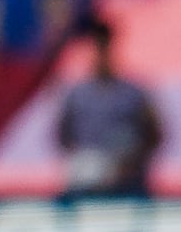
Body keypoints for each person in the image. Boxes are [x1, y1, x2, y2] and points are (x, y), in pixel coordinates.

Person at [54, 17, 163, 198]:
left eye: (103, 45)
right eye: (95, 46)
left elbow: (156, 134)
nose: (99, 52)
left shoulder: (134, 93)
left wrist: (130, 162)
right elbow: (62, 137)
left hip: (127, 187)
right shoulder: (75, 95)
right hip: (85, 187)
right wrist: (86, 162)